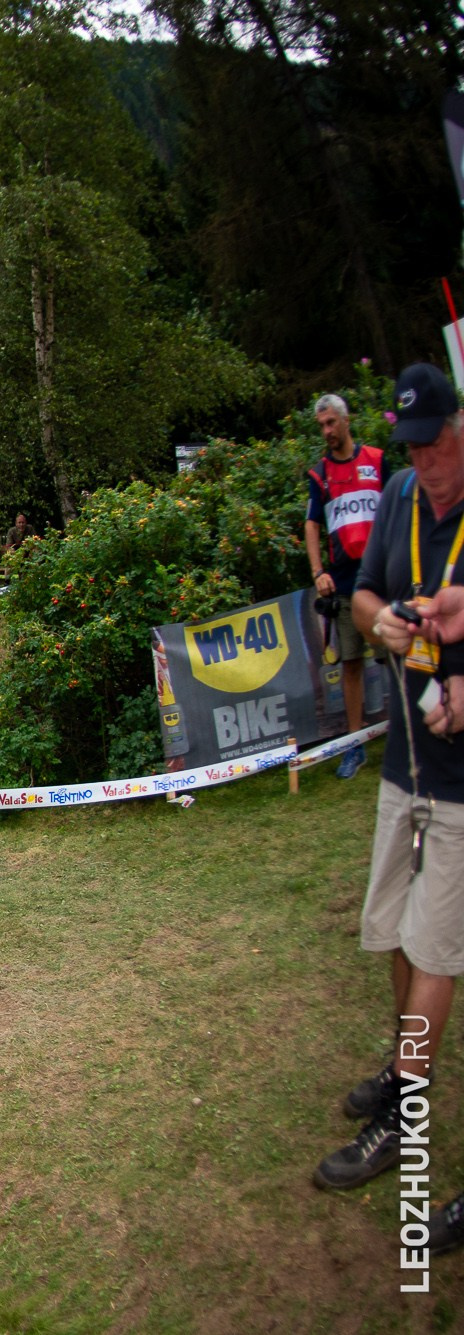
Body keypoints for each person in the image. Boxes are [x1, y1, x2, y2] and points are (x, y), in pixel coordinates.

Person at [320, 364, 464, 1256]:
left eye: (441, 442)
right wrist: (383, 626)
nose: (430, 462)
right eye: (415, 446)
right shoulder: (403, 494)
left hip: (461, 782)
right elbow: (367, 591)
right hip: (405, 761)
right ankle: (405, 1070)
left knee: (435, 947)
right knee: (392, 935)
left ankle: (405, 1121)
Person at [305, 391, 387, 779]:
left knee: (399, 657)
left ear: (345, 420)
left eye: (331, 423)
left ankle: (412, 736)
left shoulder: (376, 460)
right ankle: (354, 747)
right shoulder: (320, 474)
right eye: (321, 426)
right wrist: (318, 570)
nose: (326, 431)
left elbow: (398, 509)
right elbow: (311, 524)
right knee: (351, 664)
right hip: (344, 583)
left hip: (384, 578)